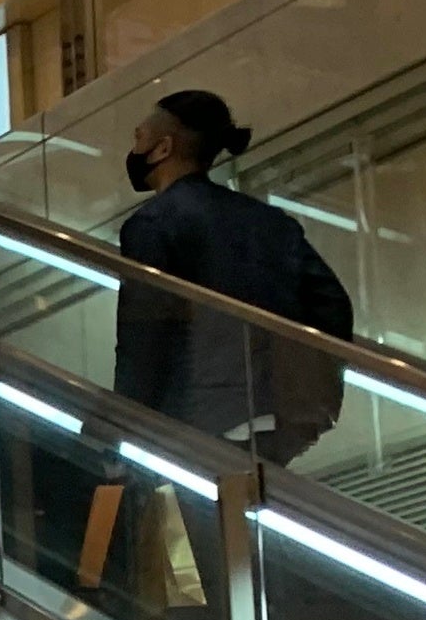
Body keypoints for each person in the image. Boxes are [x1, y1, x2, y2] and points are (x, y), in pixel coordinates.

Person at [110, 90, 351, 463]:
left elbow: (144, 334)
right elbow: (333, 304)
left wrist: (120, 423)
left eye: (140, 137)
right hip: (283, 413)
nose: (134, 148)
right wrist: (315, 392)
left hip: (203, 414)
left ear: (162, 148)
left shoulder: (153, 224)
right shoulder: (270, 220)